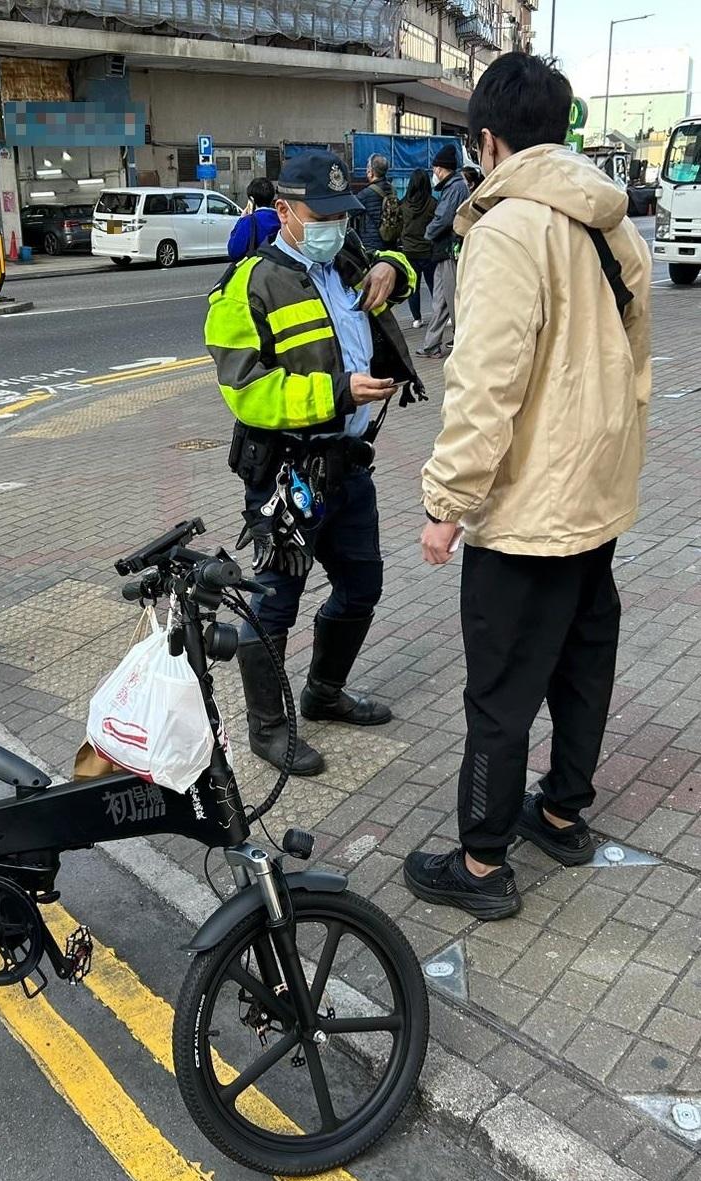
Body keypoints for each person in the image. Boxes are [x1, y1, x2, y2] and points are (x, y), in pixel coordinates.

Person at [406, 53, 652, 920]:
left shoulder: (508, 229)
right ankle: (559, 813)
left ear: (486, 140)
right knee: (583, 662)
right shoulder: (610, 222)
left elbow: (485, 386)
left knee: (500, 691)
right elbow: (632, 358)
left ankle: (479, 863)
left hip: (527, 511)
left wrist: (446, 504)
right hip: (594, 495)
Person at [206, 151, 424, 777]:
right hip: (287, 476)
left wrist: (391, 266)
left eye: (341, 215)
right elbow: (246, 392)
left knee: (362, 588)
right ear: (284, 212)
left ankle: (324, 693)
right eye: (321, 216)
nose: (334, 226)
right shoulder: (246, 286)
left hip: (349, 467)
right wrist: (337, 393)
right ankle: (269, 729)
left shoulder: (346, 259)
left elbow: (401, 268)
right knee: (275, 604)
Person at [415, 145, 469, 358]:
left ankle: (462, 342)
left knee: (452, 299)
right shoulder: (455, 186)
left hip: (448, 250)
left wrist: (427, 233)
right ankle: (432, 345)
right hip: (444, 251)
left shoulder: (454, 188)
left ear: (440, 169)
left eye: (435, 169)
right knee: (441, 299)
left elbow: (444, 218)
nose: (434, 173)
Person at [399, 169, 437, 330]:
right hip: (428, 250)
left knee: (413, 286)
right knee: (433, 284)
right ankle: (440, 314)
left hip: (408, 250)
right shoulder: (433, 203)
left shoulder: (403, 204)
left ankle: (417, 318)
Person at [227, 177, 282, 263]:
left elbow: (234, 252)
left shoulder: (248, 221)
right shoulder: (282, 219)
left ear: (251, 200)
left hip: (257, 269)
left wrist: (241, 219)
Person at [358, 154, 398, 252]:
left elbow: (351, 210)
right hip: (391, 241)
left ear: (371, 171)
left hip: (372, 244)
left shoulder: (367, 193)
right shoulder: (392, 190)